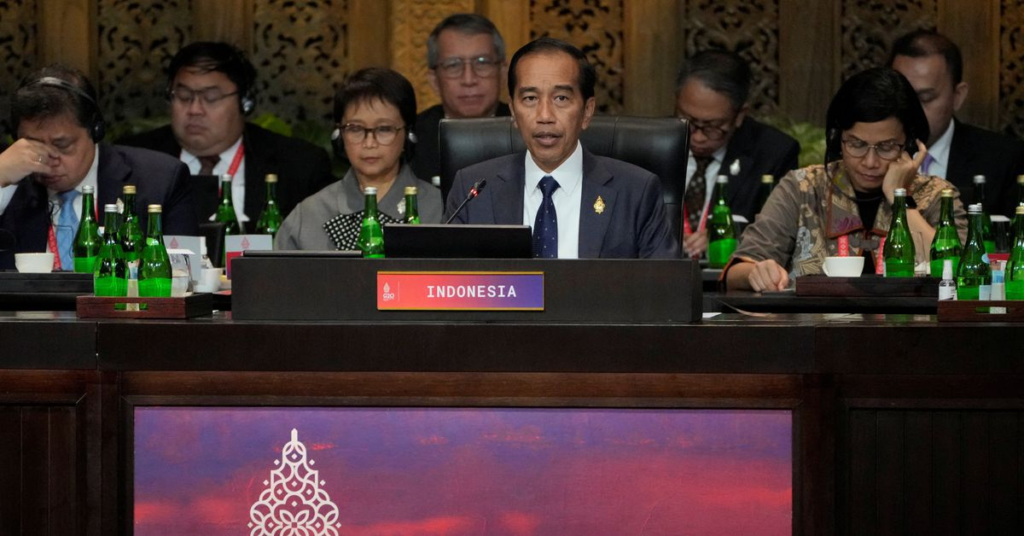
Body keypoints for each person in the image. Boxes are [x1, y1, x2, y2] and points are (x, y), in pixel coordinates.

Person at [725, 67, 967, 292]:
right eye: (856, 144)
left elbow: (961, 275)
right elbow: (736, 271)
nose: (870, 162)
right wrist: (755, 273)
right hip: (813, 324)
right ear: (836, 140)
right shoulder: (802, 188)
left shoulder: (938, 195)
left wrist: (900, 199)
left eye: (886, 147)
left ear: (911, 144)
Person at [444, 37, 680, 259]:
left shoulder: (637, 191)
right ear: (513, 112)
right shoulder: (472, 191)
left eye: (561, 98)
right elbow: (448, 279)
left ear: (587, 111)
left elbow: (663, 284)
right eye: (530, 98)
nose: (545, 116)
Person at [0, 65, 198, 270]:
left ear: (95, 131)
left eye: (62, 145)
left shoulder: (161, 180)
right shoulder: (9, 184)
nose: (48, 159)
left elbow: (185, 274)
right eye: (34, 146)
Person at [120, 42, 333, 228]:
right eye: (183, 96)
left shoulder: (299, 166)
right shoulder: (131, 162)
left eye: (211, 97)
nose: (195, 109)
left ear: (245, 102)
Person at [276, 68, 442, 250]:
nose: (369, 143)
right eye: (355, 129)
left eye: (384, 129)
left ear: (408, 134)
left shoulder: (440, 209)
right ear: (339, 135)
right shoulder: (309, 215)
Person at [675, 50, 800, 258]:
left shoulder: (773, 153)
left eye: (712, 127)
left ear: (740, 115)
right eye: (689, 121)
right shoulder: (651, 144)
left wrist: (729, 237)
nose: (698, 137)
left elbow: (782, 231)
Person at [889, 30, 1024, 217]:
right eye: (901, 98)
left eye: (925, 98)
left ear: (957, 96)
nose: (911, 111)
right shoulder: (870, 155)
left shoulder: (1004, 159)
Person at [409, 13, 511, 184]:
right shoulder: (411, 141)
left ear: (502, 72)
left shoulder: (528, 131)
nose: (469, 79)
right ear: (434, 80)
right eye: (453, 65)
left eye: (482, 62)